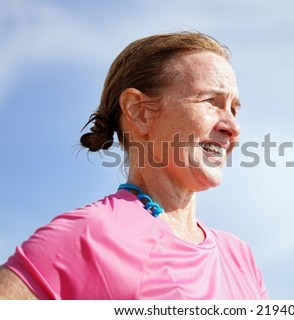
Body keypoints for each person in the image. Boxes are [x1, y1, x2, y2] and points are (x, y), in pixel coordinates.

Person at [0, 32, 269, 299]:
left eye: (234, 109)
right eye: (211, 101)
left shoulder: (240, 258)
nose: (233, 127)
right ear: (139, 112)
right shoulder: (89, 236)